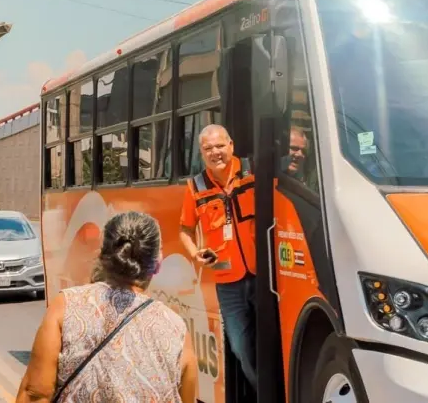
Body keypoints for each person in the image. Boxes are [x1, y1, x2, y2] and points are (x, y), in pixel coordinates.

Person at [16, 211, 198, 403]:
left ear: (102, 255)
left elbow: (35, 394)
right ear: (157, 264)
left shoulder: (67, 305)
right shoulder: (176, 329)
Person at [179, 124, 258, 390]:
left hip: (264, 275)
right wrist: (195, 253)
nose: (215, 153)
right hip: (228, 281)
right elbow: (184, 230)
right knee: (239, 346)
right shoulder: (196, 187)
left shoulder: (254, 171)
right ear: (202, 152)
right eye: (208, 148)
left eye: (220, 146)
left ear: (231, 145)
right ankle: (263, 392)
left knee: (274, 339)